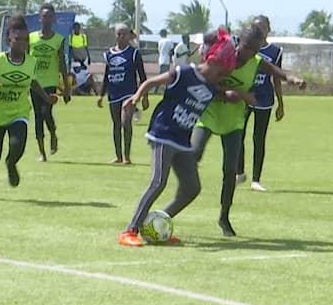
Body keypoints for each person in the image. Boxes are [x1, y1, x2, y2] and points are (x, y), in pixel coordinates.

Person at [117, 29, 239, 247]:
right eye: (221, 72)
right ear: (212, 61)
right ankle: (130, 230)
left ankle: (156, 223)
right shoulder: (183, 72)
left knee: (192, 188)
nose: (222, 77)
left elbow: (219, 93)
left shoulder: (212, 87)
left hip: (182, 140)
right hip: (163, 134)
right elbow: (151, 83)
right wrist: (135, 98)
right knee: (158, 182)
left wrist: (231, 96)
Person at [192, 25, 306, 236]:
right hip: (208, 116)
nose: (249, 53)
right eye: (246, 48)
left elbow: (277, 72)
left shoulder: (256, 62)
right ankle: (182, 198)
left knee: (230, 171)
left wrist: (293, 78)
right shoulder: (223, 57)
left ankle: (224, 217)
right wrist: (229, 94)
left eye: (254, 49)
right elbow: (204, 83)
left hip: (234, 121)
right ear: (239, 44)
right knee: (192, 156)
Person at [0, 16, 55, 199]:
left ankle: (11, 163)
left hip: (19, 112)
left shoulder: (31, 62)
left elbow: (32, 82)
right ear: (9, 40)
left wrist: (47, 98)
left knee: (18, 144)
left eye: (25, 39)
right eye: (18, 39)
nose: (23, 43)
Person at [237, 15, 285, 192]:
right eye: (256, 27)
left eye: (262, 27)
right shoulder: (245, 48)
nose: (259, 30)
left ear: (268, 29)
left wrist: (281, 103)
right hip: (245, 96)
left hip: (264, 99)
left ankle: (256, 179)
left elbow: (277, 78)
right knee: (238, 134)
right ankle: (239, 172)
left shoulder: (275, 51)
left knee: (259, 138)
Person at [98, 24, 148, 164]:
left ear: (129, 36)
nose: (121, 37)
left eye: (124, 34)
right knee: (116, 125)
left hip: (129, 94)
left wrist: (144, 96)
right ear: (115, 35)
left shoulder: (133, 53)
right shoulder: (109, 54)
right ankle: (118, 156)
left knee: (126, 123)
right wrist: (101, 95)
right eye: (119, 34)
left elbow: (142, 76)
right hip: (113, 94)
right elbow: (106, 75)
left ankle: (127, 156)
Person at [29, 3, 72, 161]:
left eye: (50, 16)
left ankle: (53, 134)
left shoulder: (58, 40)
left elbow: (62, 64)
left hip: (50, 82)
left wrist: (66, 87)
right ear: (40, 18)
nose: (46, 19)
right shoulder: (31, 38)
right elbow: (26, 60)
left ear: (54, 18)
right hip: (34, 82)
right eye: (44, 16)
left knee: (46, 112)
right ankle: (42, 152)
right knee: (37, 116)